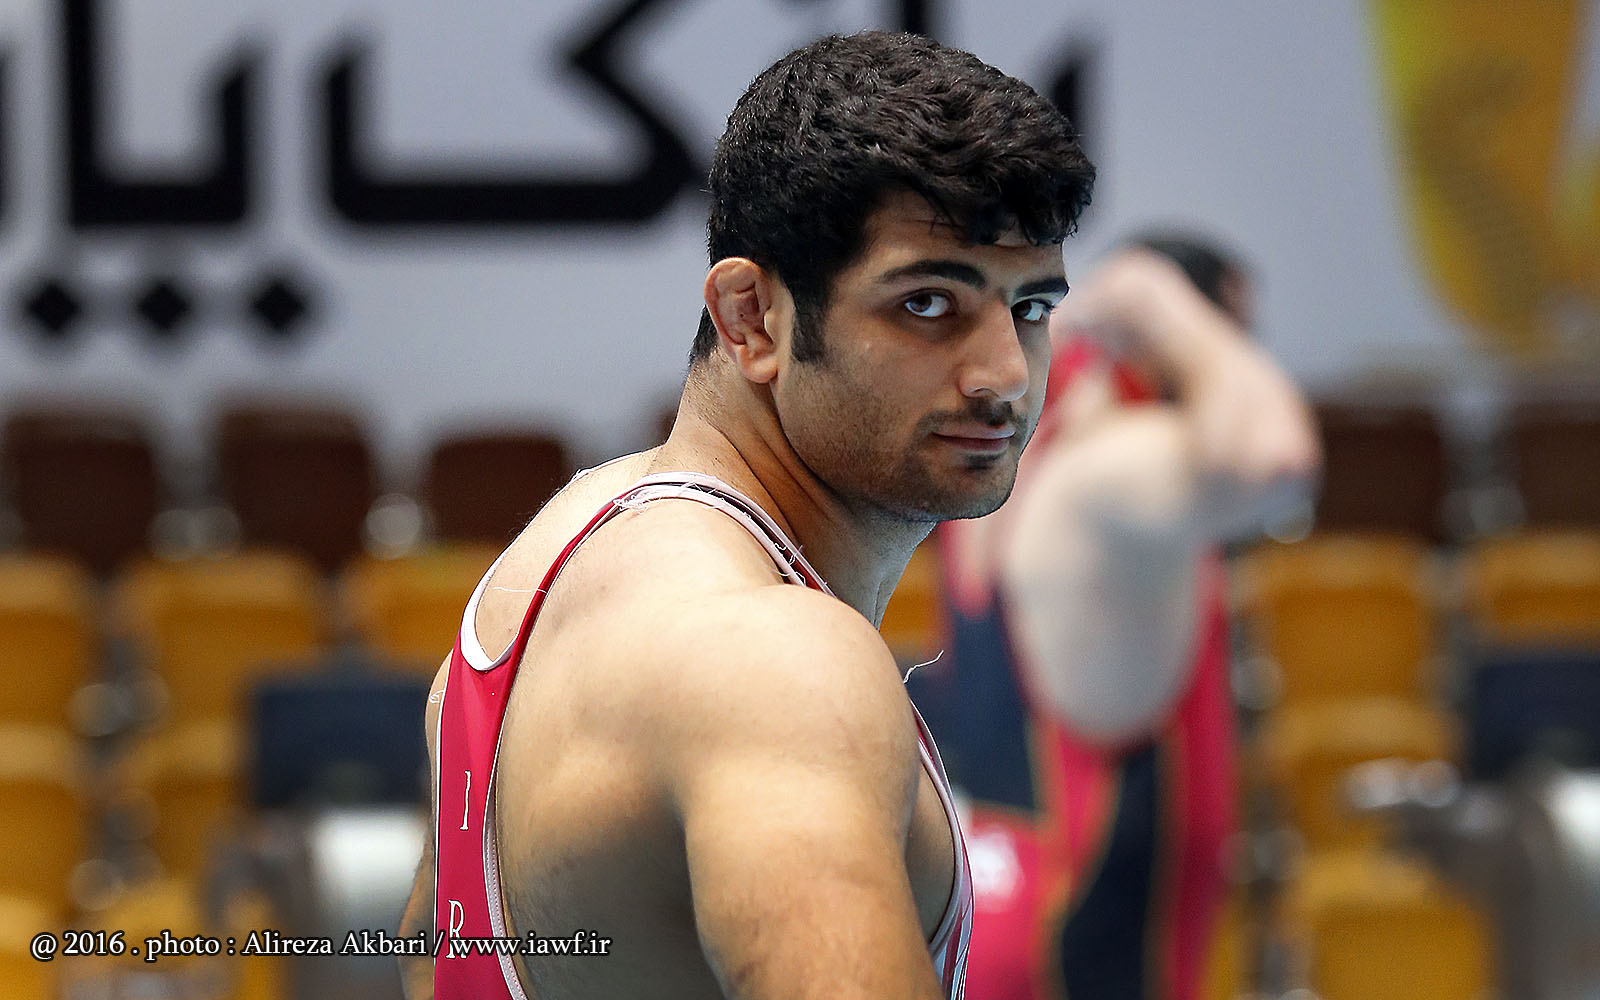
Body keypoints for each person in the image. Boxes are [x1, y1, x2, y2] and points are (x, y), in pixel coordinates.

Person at [397, 31, 1095, 1000]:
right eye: (929, 304)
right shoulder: (779, 666)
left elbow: (430, 957)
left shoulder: (548, 563)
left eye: (1031, 308)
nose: (1004, 376)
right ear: (750, 318)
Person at [931, 235, 1320, 1000]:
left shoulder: (1013, 455)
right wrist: (1160, 304)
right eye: (1240, 341)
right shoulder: (1106, 477)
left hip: (1000, 910)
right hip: (1077, 945)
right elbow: (1276, 459)